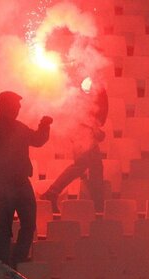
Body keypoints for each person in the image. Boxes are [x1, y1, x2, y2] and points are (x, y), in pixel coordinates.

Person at [0, 91, 52, 267]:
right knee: (25, 224)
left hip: (6, 182)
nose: (19, 108)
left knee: (6, 226)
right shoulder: (15, 127)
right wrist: (45, 125)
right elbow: (38, 140)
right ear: (7, 106)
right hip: (16, 182)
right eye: (16, 105)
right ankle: (16, 263)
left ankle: (3, 265)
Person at [41, 79, 108, 213]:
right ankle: (52, 193)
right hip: (83, 129)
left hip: (85, 128)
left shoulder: (88, 79)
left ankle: (97, 205)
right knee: (83, 164)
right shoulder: (86, 80)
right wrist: (93, 127)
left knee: (94, 167)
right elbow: (80, 106)